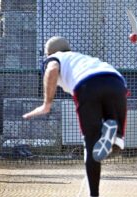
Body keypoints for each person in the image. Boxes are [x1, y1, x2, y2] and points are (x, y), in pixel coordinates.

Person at [22, 36, 127, 197]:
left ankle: (93, 194)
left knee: (91, 144)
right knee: (116, 135)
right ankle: (114, 137)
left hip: (87, 85)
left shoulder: (54, 58)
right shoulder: (82, 58)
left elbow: (52, 69)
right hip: (116, 82)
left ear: (48, 53)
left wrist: (47, 103)